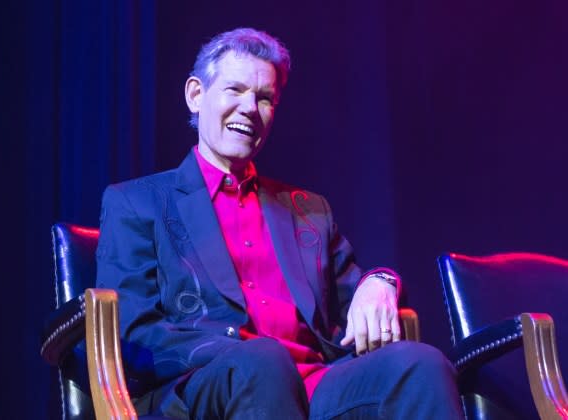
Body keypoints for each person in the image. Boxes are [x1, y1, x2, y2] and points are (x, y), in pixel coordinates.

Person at [96, 27, 463, 419]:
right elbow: (133, 329)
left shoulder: (308, 211)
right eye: (235, 90)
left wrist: (382, 281)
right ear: (196, 95)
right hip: (207, 385)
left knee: (420, 365)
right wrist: (242, 351)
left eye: (265, 98)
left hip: (316, 384)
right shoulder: (138, 202)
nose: (250, 108)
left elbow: (356, 294)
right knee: (264, 361)